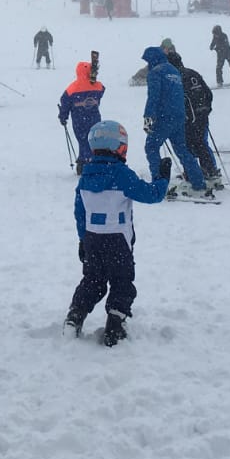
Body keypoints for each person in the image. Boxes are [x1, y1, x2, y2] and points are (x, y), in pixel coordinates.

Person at [64, 120, 170, 347]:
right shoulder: (121, 174)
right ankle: (116, 322)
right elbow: (151, 195)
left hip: (92, 239)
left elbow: (80, 211)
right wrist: (162, 179)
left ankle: (76, 314)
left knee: (93, 279)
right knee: (122, 282)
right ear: (120, 147)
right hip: (118, 241)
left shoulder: (86, 177)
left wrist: (82, 238)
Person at [141, 45, 210, 197]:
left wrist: (148, 117)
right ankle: (198, 183)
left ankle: (158, 183)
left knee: (151, 147)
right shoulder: (174, 71)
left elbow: (154, 97)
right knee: (182, 149)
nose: (147, 64)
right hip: (179, 116)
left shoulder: (155, 73)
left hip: (165, 117)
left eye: (147, 61)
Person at [167, 49, 223, 191]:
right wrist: (206, 110)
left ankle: (193, 173)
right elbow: (208, 93)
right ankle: (210, 170)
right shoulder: (193, 73)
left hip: (187, 120)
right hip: (202, 116)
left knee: (186, 147)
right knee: (201, 144)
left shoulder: (175, 77)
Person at [57, 61, 105, 164]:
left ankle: (85, 161)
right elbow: (102, 90)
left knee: (83, 140)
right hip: (95, 119)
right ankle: (92, 159)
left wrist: (63, 116)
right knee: (94, 140)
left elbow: (65, 102)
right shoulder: (97, 86)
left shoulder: (72, 88)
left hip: (79, 121)